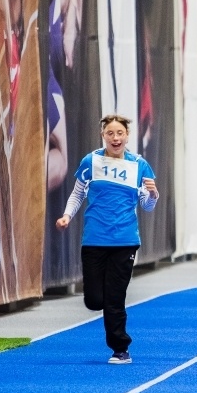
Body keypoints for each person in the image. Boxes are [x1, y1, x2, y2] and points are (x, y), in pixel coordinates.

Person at [56, 114, 159, 364]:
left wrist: (153, 195)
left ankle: (120, 349)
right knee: (94, 300)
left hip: (125, 240)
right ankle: (106, 307)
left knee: (115, 298)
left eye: (120, 133)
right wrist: (67, 216)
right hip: (94, 239)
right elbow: (78, 194)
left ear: (127, 136)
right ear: (103, 135)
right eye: (110, 133)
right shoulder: (91, 161)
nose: (115, 138)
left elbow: (146, 206)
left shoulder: (139, 165)